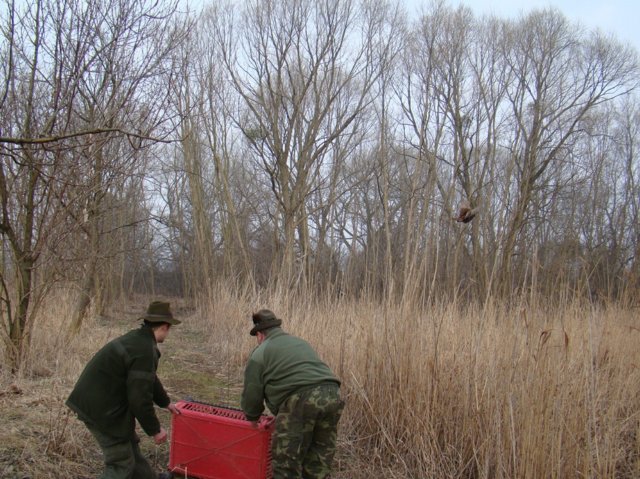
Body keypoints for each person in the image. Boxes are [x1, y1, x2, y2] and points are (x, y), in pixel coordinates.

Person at [66, 301, 181, 479]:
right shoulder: (144, 349)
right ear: (166, 326)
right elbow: (139, 398)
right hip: (101, 409)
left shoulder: (139, 340)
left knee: (130, 446)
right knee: (121, 463)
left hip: (98, 401)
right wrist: (155, 429)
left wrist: (166, 403)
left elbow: (148, 378)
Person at [241, 309, 345, 479]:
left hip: (301, 398)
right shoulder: (300, 343)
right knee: (319, 458)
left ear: (259, 335)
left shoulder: (260, 352)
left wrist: (252, 418)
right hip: (332, 393)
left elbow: (252, 392)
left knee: (286, 462)